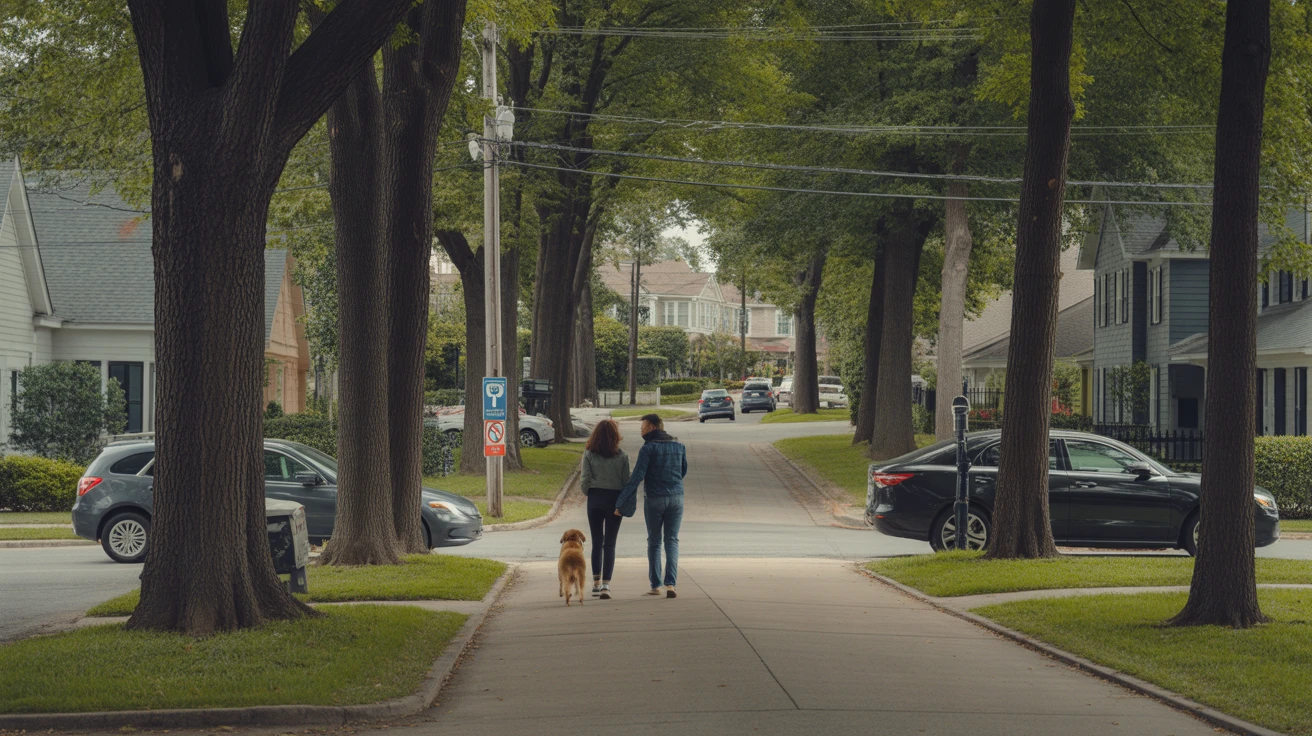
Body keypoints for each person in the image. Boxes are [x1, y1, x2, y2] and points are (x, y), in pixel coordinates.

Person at [615, 414, 687, 598]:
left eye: (643, 427)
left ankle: (656, 585)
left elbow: (637, 477)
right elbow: (683, 470)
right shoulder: (679, 446)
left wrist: (621, 503)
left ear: (653, 427)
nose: (641, 430)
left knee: (654, 542)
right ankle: (671, 585)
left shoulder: (648, 448)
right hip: (677, 497)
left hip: (655, 498)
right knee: (672, 540)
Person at [580, 419, 630, 600]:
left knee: (596, 541)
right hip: (615, 500)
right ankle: (606, 585)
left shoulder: (589, 453)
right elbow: (627, 483)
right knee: (610, 543)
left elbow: (584, 479)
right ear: (615, 436)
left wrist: (590, 492)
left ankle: (595, 582)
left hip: (595, 498)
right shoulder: (622, 456)